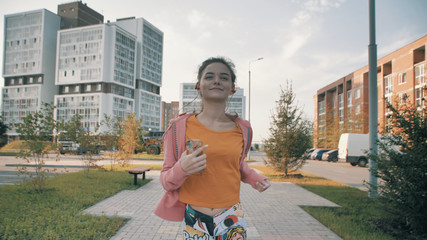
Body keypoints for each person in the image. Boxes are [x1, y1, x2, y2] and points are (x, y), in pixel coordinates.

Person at [154, 57, 271, 239]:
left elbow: (238, 166)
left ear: (232, 88)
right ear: (198, 85)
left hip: (232, 216)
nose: (216, 80)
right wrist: (182, 169)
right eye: (209, 77)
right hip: (195, 219)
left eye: (224, 77)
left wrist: (256, 179)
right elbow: (166, 180)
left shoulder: (243, 129)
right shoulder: (178, 127)